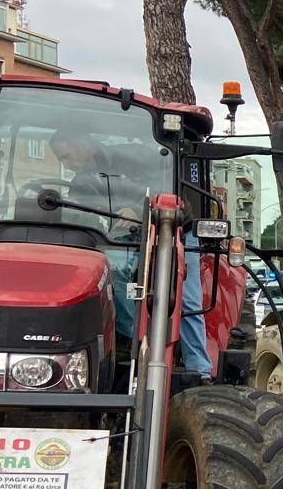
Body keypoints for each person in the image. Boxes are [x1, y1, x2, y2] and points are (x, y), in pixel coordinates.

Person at [49, 124, 213, 379]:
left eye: (66, 156)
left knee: (185, 298)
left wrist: (138, 209)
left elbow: (172, 189)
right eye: (62, 160)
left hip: (175, 228)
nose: (67, 164)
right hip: (125, 240)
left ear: (83, 144)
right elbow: (83, 218)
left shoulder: (136, 156)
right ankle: (134, 345)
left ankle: (198, 370)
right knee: (113, 281)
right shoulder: (82, 182)